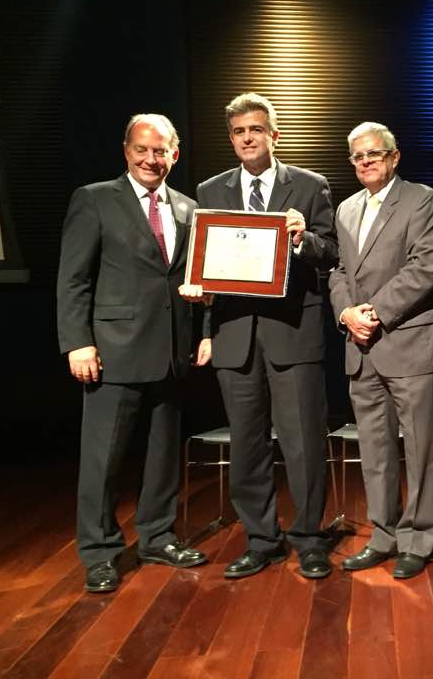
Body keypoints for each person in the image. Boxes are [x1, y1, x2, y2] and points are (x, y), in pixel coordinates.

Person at [184, 93, 338, 579]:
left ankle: (310, 538)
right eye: (238, 132)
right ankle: (261, 539)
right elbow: (206, 263)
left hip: (293, 333)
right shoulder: (211, 190)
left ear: (275, 134)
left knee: (303, 443)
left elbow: (331, 253)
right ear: (231, 139)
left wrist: (303, 239)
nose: (247, 138)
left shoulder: (310, 187)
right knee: (247, 445)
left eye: (256, 129)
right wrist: (202, 305)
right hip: (234, 338)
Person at [57, 113, 209, 593]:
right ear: (126, 151)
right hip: (112, 351)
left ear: (174, 154)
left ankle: (158, 536)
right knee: (103, 459)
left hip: (171, 350)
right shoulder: (95, 199)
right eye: (142, 149)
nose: (151, 159)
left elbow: (198, 278)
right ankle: (100, 551)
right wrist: (77, 341)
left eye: (160, 150)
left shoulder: (188, 207)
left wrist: (203, 329)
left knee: (164, 456)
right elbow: (74, 279)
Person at [328, 122, 433, 579]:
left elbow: (427, 267)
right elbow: (340, 271)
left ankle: (419, 538)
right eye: (357, 156)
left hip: (408, 342)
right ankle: (384, 536)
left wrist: (373, 313)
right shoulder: (345, 209)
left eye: (373, 154)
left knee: (418, 447)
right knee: (375, 449)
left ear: (395, 157)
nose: (365, 162)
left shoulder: (421, 200)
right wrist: (346, 315)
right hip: (361, 346)